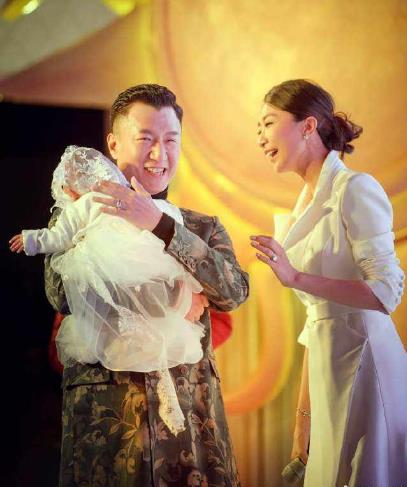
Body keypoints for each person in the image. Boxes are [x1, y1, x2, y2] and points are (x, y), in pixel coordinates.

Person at [43, 84, 249, 486]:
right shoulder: (78, 216)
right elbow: (60, 293)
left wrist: (160, 225)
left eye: (171, 140)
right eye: (146, 140)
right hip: (107, 420)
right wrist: (177, 296)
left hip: (191, 419)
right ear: (113, 144)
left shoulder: (202, 227)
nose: (160, 154)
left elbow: (234, 292)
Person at [252, 79, 407, 487]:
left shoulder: (355, 188)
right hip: (328, 366)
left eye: (268, 123)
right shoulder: (305, 200)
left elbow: (386, 291)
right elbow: (317, 318)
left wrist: (295, 276)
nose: (261, 137)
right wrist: (303, 418)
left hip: (367, 360)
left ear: (308, 125)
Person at [10, 144, 206, 435]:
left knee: (138, 327)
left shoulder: (101, 203)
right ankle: (165, 389)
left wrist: (30, 240)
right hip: (127, 265)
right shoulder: (107, 203)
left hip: (122, 263)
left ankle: (164, 387)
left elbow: (58, 237)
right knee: (146, 329)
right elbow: (59, 240)